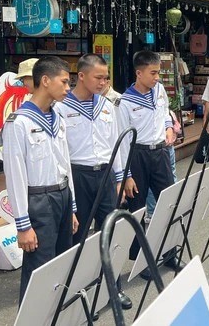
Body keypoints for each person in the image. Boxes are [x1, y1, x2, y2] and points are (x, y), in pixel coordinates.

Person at [53, 54, 132, 309]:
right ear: (82, 76)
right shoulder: (61, 108)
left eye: (106, 77)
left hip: (106, 175)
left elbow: (116, 145)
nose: (103, 82)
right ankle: (79, 296)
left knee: (109, 231)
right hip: (79, 175)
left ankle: (113, 288)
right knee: (78, 237)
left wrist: (120, 179)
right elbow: (61, 152)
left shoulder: (108, 105)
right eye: (98, 77)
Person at [2, 56, 79, 304]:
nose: (68, 88)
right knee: (39, 268)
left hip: (62, 195)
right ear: (45, 80)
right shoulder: (18, 122)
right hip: (39, 200)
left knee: (62, 261)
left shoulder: (58, 117)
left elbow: (65, 164)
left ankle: (58, 313)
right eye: (64, 82)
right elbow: (15, 175)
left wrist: (73, 207)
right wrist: (23, 225)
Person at [116, 50, 176, 260]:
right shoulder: (125, 102)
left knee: (168, 203)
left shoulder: (159, 90)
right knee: (137, 210)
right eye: (153, 73)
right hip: (137, 156)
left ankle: (170, 253)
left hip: (160, 153)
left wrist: (168, 127)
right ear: (139, 73)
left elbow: (165, 111)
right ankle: (140, 259)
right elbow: (123, 142)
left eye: (158, 72)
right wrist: (127, 175)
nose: (157, 77)